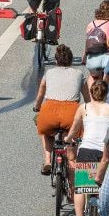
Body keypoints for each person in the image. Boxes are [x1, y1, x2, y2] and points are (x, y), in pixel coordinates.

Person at [66, 78, 109, 216]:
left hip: (87, 150)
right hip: (105, 152)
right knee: (106, 185)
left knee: (81, 188)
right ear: (106, 93)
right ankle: (107, 213)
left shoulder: (84, 108)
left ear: (92, 93)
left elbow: (75, 129)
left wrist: (68, 140)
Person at [33, 44, 86, 175]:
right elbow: (88, 98)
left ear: (56, 61)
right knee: (71, 134)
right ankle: (71, 161)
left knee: (45, 130)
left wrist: (37, 107)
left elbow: (40, 94)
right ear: (71, 61)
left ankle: (47, 161)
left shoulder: (49, 73)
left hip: (50, 111)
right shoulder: (79, 74)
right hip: (71, 112)